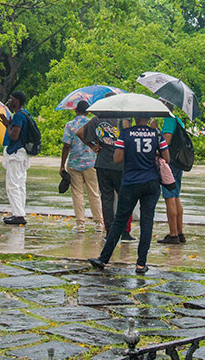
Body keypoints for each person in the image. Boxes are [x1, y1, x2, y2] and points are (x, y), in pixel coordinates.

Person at [88, 115, 169, 275]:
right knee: (147, 223)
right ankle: (141, 264)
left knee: (119, 221)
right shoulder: (156, 134)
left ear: (135, 117)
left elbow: (117, 159)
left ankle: (103, 259)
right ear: (148, 118)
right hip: (151, 182)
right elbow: (166, 157)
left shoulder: (126, 133)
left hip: (131, 182)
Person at [78, 102, 133, 240]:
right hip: (121, 164)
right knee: (125, 197)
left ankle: (109, 231)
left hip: (102, 163)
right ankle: (125, 232)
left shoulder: (98, 119)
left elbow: (80, 133)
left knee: (107, 198)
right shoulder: (124, 119)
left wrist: (93, 146)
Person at [60, 100, 103, 231]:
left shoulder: (70, 125)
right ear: (88, 111)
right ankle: (99, 223)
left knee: (77, 194)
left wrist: (62, 165)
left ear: (75, 110)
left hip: (74, 163)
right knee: (94, 192)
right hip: (91, 162)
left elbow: (66, 146)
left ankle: (80, 224)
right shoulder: (93, 123)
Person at [0, 92, 32, 226]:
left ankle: (18, 215)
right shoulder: (25, 113)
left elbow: (14, 136)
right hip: (22, 154)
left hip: (16, 154)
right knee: (20, 185)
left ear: (17, 101)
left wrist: (8, 125)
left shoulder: (18, 116)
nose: (9, 101)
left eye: (11, 99)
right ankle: (19, 212)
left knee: (12, 185)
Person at [158, 103, 187, 244]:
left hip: (170, 163)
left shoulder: (168, 119)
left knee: (169, 197)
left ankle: (173, 234)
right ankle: (180, 232)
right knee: (175, 196)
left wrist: (155, 130)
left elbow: (166, 140)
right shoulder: (177, 119)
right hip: (178, 162)